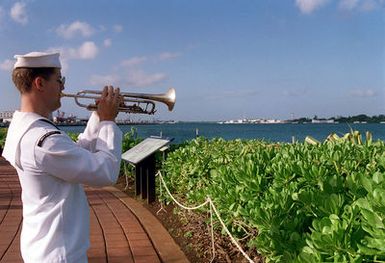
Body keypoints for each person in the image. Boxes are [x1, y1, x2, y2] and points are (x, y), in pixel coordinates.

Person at [2, 51, 123, 262]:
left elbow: (71, 155)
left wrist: (97, 116)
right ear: (40, 83)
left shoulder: (25, 127)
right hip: (60, 254)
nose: (63, 87)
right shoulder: (44, 140)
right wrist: (108, 122)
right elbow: (106, 172)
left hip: (43, 247)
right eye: (60, 80)